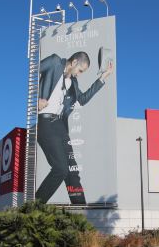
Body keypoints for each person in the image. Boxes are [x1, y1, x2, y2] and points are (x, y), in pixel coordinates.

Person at [36, 51, 114, 204]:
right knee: (60, 169)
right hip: (45, 122)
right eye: (80, 70)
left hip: (60, 127)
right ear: (73, 63)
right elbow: (31, 73)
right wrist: (36, 98)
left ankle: (81, 212)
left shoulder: (73, 83)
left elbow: (83, 99)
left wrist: (103, 78)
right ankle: (34, 207)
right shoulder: (54, 62)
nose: (79, 74)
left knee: (72, 171)